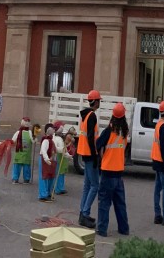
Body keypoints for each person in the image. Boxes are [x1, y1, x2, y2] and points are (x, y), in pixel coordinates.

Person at [96, 102, 130, 238]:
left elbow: (98, 144)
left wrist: (101, 154)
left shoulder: (109, 131)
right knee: (120, 203)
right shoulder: (124, 131)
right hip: (119, 171)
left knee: (104, 201)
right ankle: (124, 228)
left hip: (107, 171)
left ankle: (102, 229)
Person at [77, 90, 101, 229]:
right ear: (96, 101)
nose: (99, 103)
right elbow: (91, 137)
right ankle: (85, 213)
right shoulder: (92, 116)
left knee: (87, 185)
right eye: (99, 101)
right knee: (94, 186)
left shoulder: (85, 115)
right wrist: (95, 155)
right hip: (90, 154)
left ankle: (83, 213)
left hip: (84, 153)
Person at [38, 123, 58, 202]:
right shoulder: (46, 140)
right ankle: (43, 195)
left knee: (50, 177)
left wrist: (65, 153)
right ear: (48, 130)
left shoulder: (51, 140)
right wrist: (46, 158)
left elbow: (56, 150)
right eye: (53, 129)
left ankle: (48, 193)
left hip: (50, 161)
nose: (54, 130)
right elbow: (43, 150)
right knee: (44, 177)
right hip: (45, 161)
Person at [11, 117, 33, 184]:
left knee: (27, 167)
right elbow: (13, 140)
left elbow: (33, 140)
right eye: (25, 121)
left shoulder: (30, 132)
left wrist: (35, 137)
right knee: (17, 166)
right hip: (19, 153)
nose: (26, 123)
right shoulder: (18, 132)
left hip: (27, 154)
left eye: (27, 122)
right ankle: (15, 178)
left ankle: (26, 179)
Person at [53, 122, 71, 195]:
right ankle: (58, 189)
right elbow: (61, 149)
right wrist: (68, 155)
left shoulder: (56, 137)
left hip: (59, 157)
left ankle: (59, 188)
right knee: (59, 173)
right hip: (58, 158)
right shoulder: (58, 139)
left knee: (60, 173)